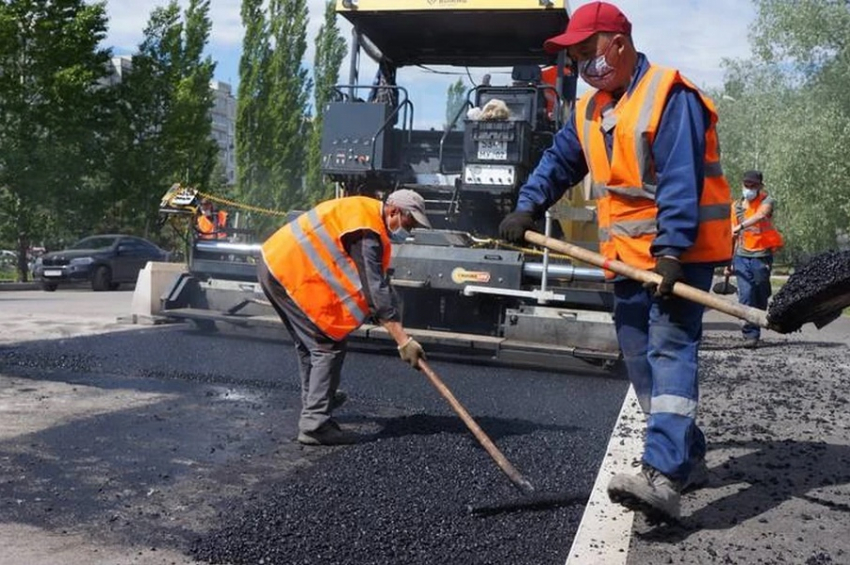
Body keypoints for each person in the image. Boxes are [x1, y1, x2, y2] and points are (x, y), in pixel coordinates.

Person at [498, 1, 732, 522]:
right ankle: (686, 455)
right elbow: (561, 159)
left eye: (588, 51)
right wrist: (527, 203)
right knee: (639, 357)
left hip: (677, 257)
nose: (583, 64)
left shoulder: (671, 95)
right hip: (626, 262)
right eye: (576, 56)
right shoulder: (591, 108)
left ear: (618, 44)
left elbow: (680, 179)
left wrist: (671, 253)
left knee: (670, 351)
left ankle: (664, 475)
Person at [257, 189, 431, 446]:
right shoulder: (366, 230)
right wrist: (403, 340)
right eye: (409, 222)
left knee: (311, 346)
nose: (410, 229)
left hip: (273, 265)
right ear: (394, 211)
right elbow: (374, 288)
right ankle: (315, 424)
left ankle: (317, 400)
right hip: (289, 273)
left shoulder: (366, 214)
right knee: (327, 346)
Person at [725, 170, 784, 348]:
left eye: (753, 186)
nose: (749, 189)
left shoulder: (766, 201)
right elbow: (733, 237)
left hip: (761, 255)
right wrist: (728, 262)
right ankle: (750, 333)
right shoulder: (735, 207)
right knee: (746, 293)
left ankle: (761, 304)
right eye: (746, 185)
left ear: (759, 186)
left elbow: (761, 215)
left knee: (760, 290)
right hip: (742, 256)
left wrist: (741, 225)